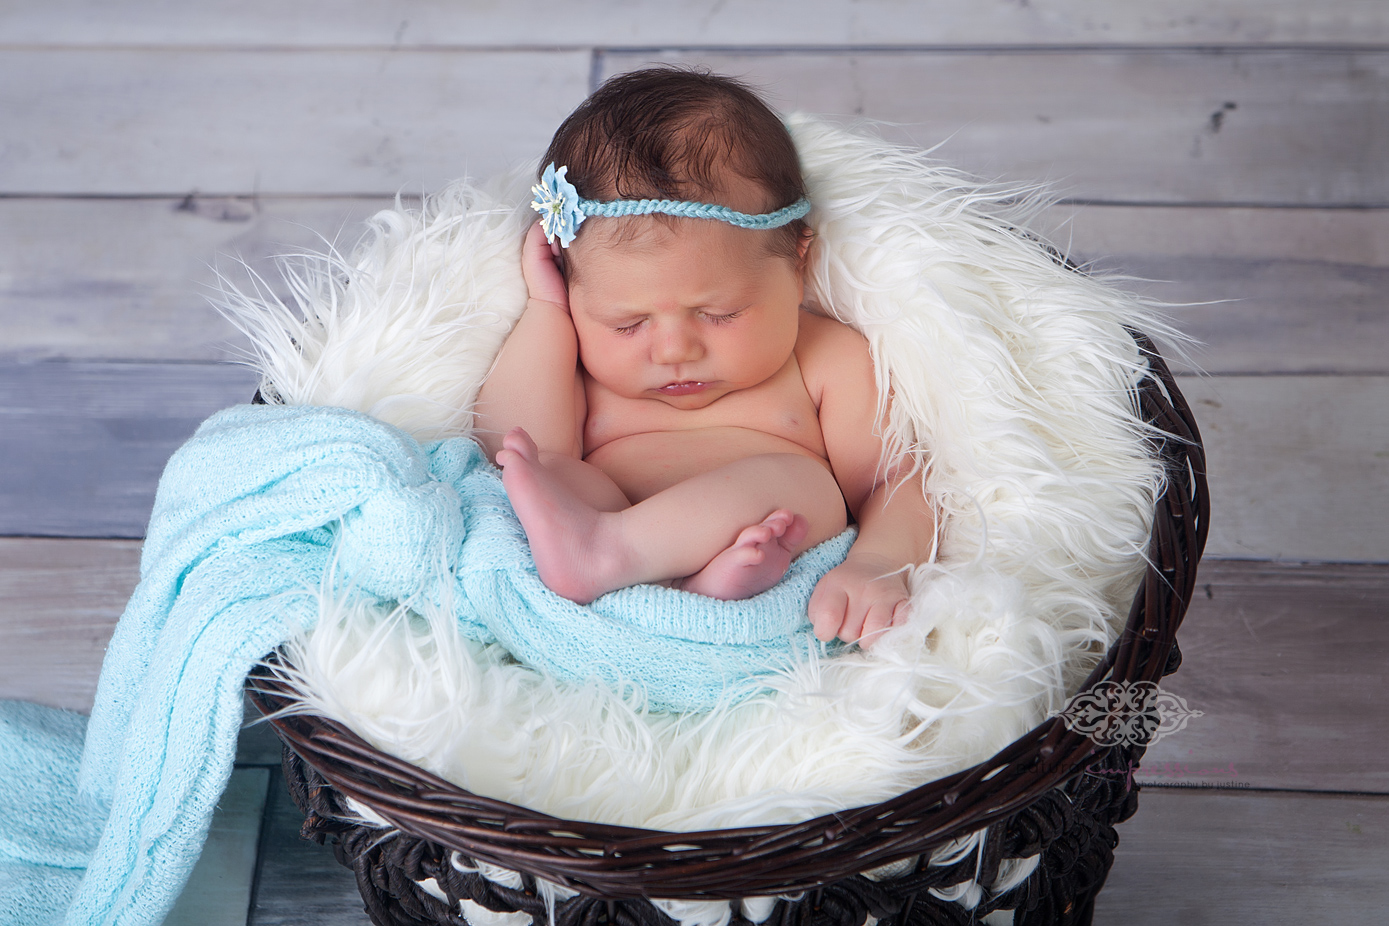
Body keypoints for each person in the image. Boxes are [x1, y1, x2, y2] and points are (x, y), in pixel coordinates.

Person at [473, 68, 936, 646]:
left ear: (797, 265)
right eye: (628, 323)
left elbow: (895, 481)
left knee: (803, 485)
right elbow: (511, 449)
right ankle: (642, 566)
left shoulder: (822, 357)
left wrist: (877, 563)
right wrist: (546, 311)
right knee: (553, 472)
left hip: (782, 571)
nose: (673, 351)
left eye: (719, 314)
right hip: (609, 603)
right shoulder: (583, 366)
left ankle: (634, 561)